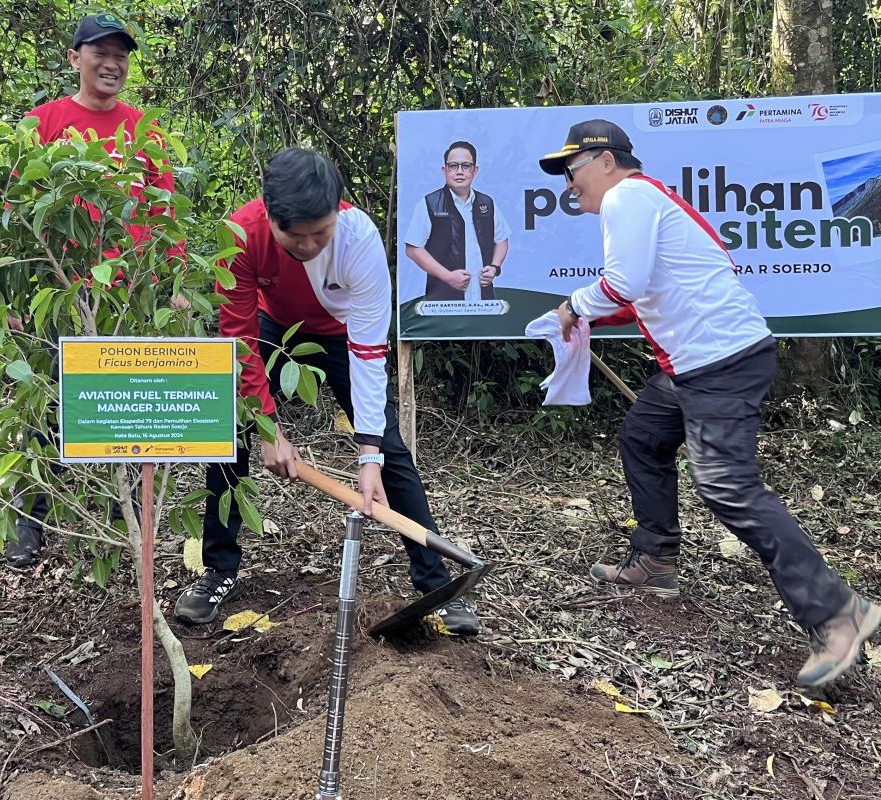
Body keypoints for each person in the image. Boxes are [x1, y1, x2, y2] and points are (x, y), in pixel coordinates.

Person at [539, 119, 879, 687]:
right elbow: (647, 292)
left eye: (572, 172)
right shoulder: (648, 202)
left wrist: (576, 304)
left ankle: (837, 614)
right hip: (695, 365)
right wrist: (583, 315)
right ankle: (656, 559)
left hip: (719, 362)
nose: (569, 187)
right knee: (644, 438)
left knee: (727, 485)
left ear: (604, 161)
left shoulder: (627, 195)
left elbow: (622, 283)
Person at [173, 148, 481, 635]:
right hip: (272, 327)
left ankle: (434, 584)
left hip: (342, 333)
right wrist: (268, 427)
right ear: (269, 215)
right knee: (226, 431)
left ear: (338, 211)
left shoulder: (358, 239)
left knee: (391, 450)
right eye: (296, 236)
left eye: (322, 232)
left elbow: (368, 349)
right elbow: (240, 339)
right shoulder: (242, 234)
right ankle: (219, 569)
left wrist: (369, 453)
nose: (311, 245)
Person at [5, 11, 178, 567]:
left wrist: (172, 280)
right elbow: (13, 211)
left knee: (127, 403)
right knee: (53, 404)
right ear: (75, 58)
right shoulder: (44, 123)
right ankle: (29, 518)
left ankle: (117, 518)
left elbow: (164, 209)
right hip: (62, 289)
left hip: (129, 294)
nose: (112, 64)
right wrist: (16, 292)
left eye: (121, 55)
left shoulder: (144, 130)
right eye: (99, 53)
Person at [405, 141, 510, 302]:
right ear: (444, 170)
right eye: (453, 166)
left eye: (466, 166)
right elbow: (413, 248)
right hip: (443, 301)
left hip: (484, 301)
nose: (459, 172)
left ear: (475, 170)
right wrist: (447, 276)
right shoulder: (429, 204)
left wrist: (495, 267)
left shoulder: (487, 203)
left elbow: (502, 239)